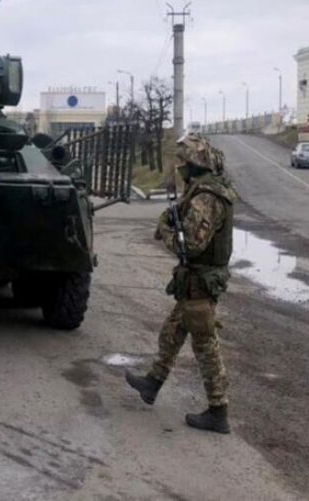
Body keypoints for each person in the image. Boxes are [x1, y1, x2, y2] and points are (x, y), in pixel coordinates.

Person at [126, 134, 237, 434]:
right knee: (172, 332)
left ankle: (218, 412)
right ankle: (152, 383)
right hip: (194, 282)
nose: (180, 167)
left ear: (194, 163)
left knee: (205, 347)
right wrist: (173, 217)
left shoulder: (207, 198)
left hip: (201, 283)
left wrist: (165, 231)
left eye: (183, 162)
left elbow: (191, 247)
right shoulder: (202, 191)